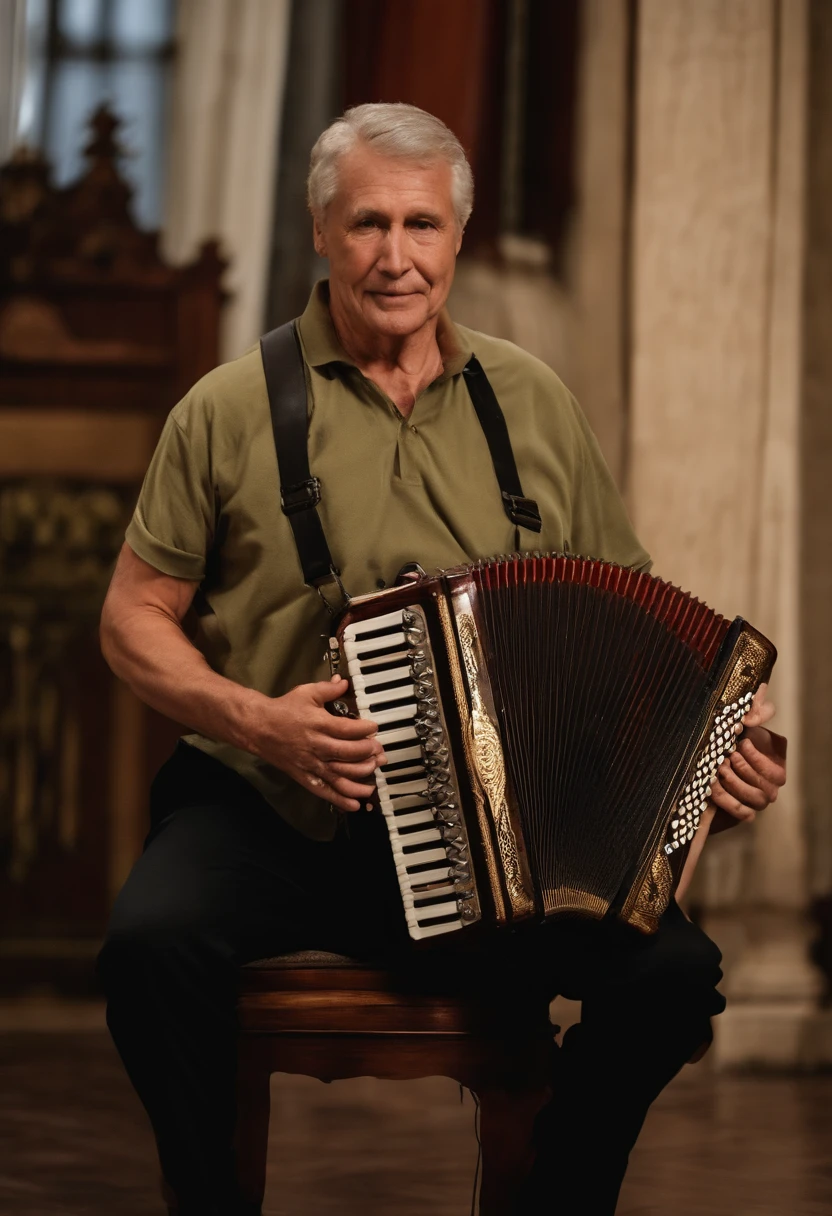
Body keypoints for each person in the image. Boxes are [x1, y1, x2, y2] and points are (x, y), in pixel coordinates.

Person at [97, 103, 787, 1216]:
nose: (394, 255)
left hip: (497, 843)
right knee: (147, 948)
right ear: (319, 231)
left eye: (422, 225)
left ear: (455, 241)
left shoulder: (534, 404)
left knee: (672, 978)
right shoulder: (224, 409)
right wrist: (259, 719)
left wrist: (718, 755)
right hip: (271, 811)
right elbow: (131, 618)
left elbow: (649, 644)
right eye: (367, 222)